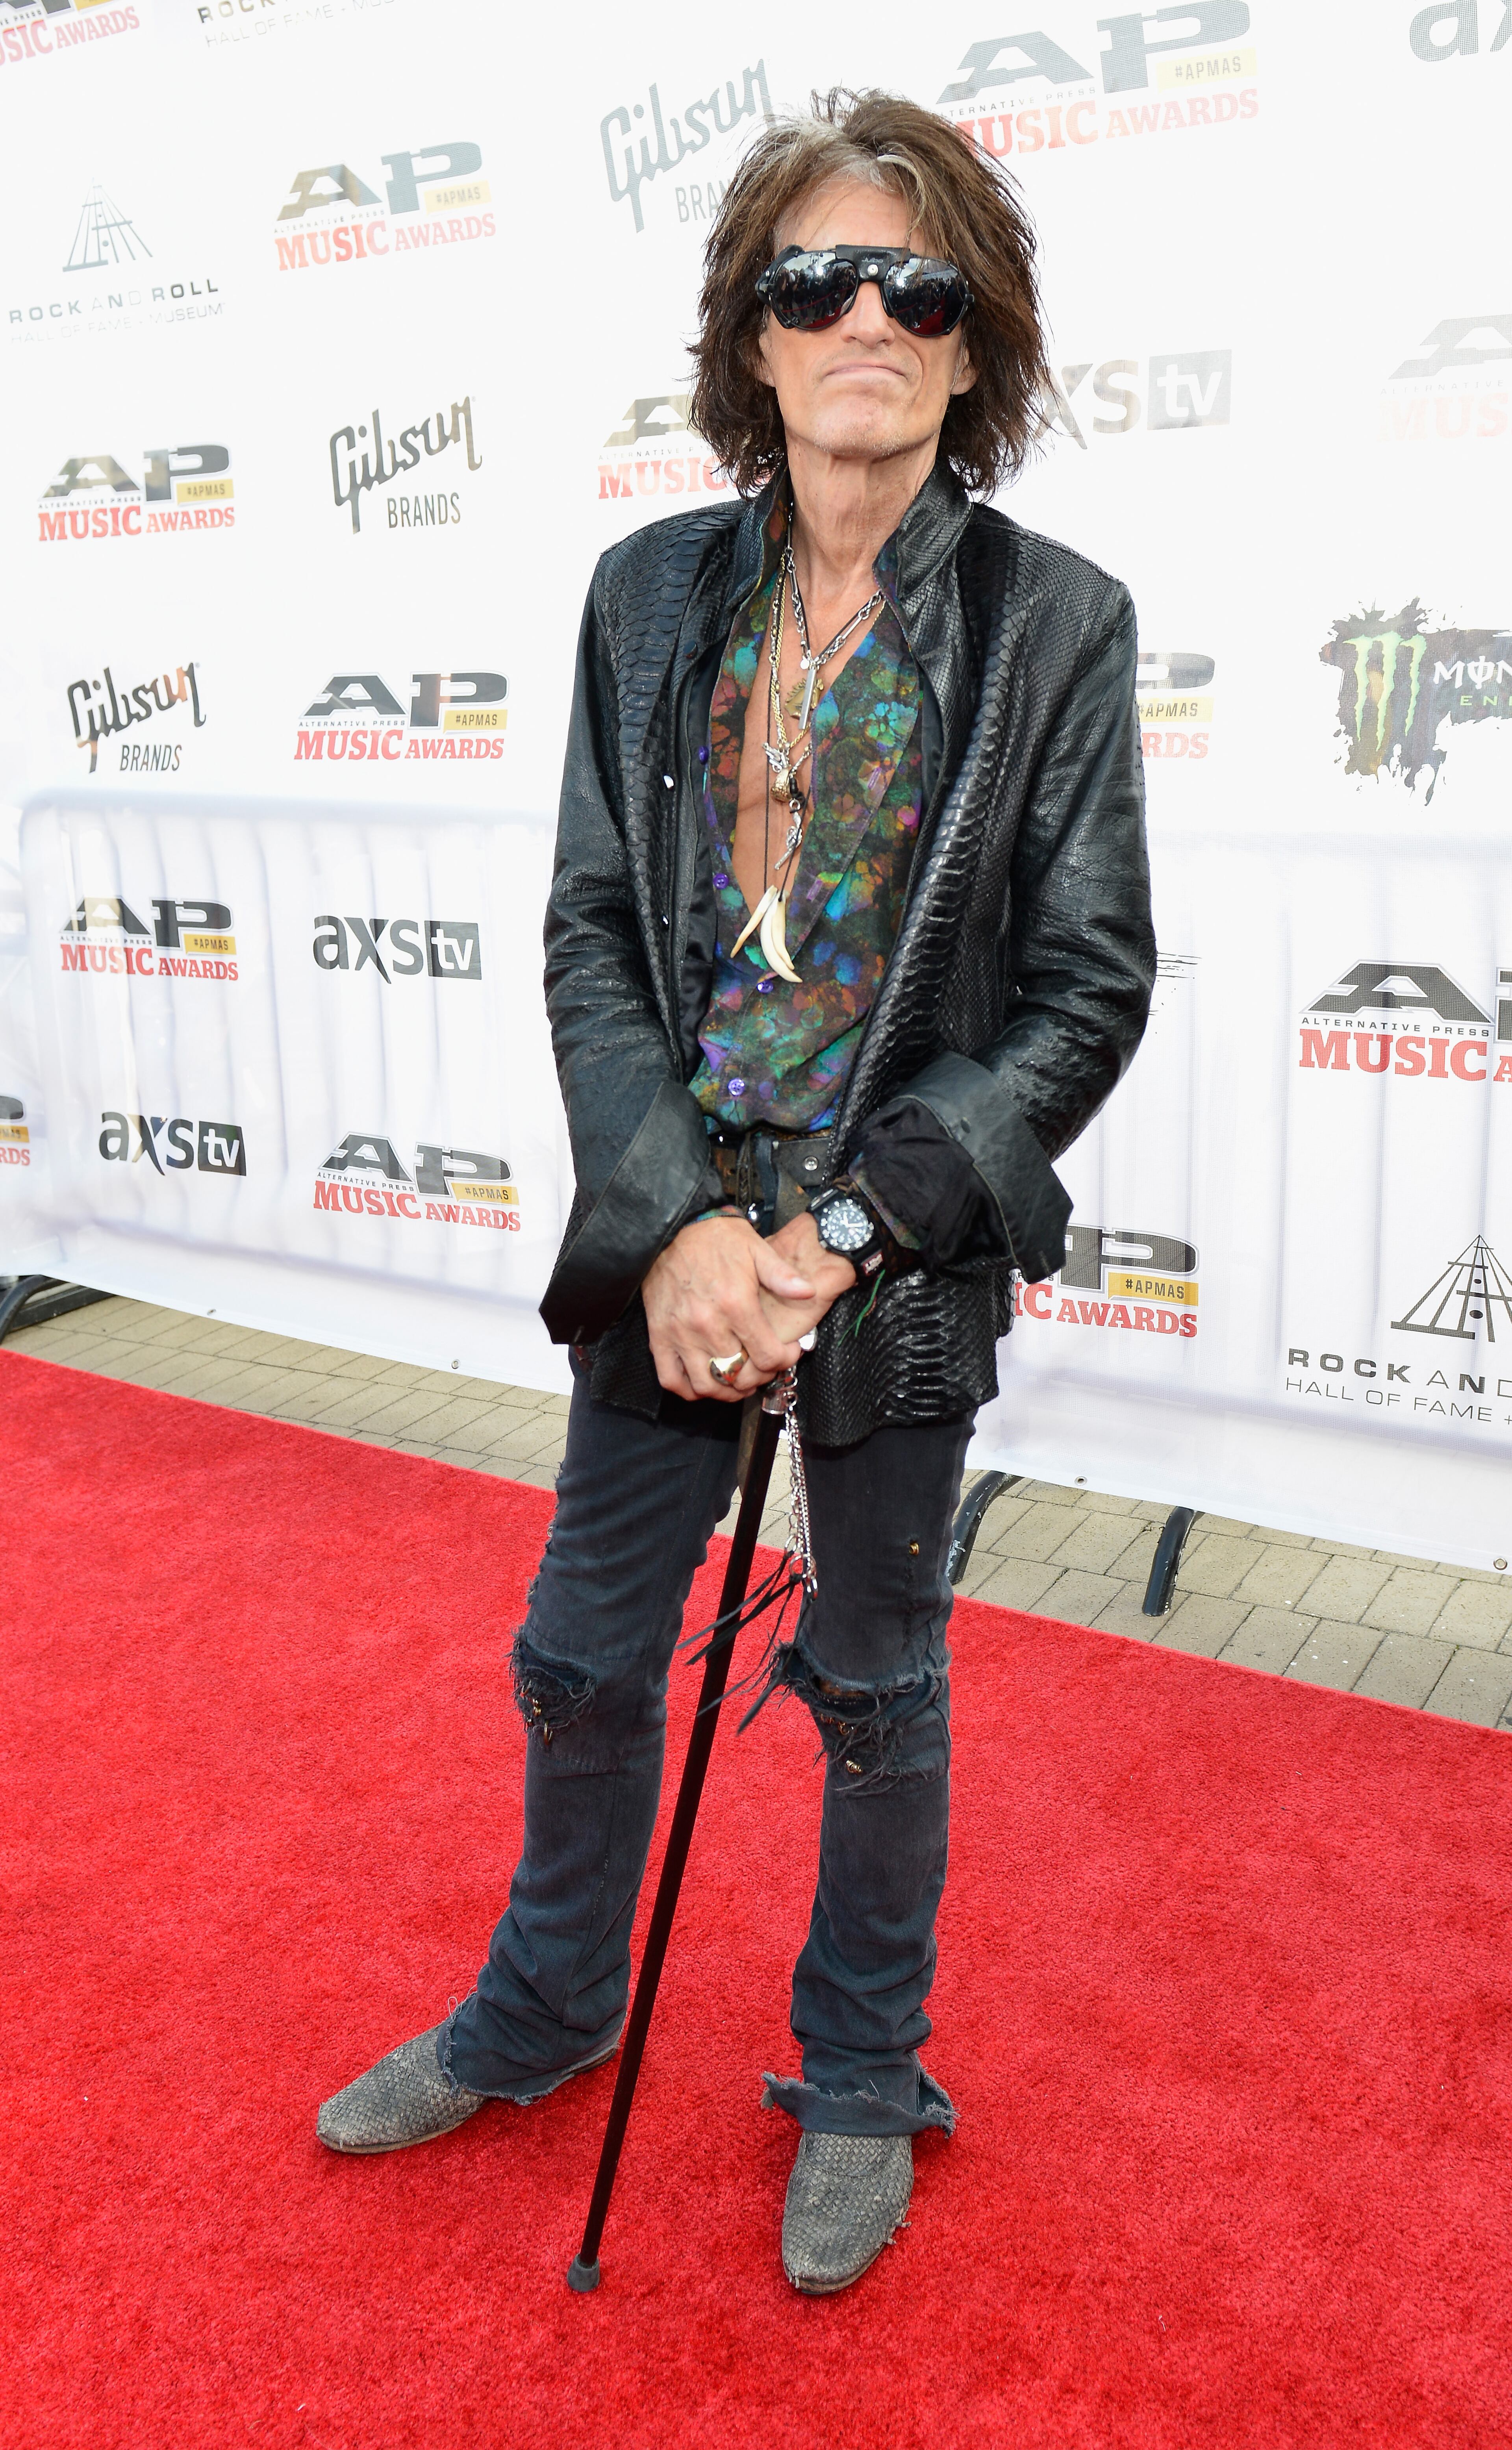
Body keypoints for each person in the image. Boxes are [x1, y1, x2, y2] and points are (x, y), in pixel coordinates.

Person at [318, 87, 1155, 2296]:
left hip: (886, 1260)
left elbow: (1084, 987)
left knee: (874, 1691)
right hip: (671, 1249)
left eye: (918, 286)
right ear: (751, 343)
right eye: (816, 281)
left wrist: (844, 1235)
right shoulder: (648, 596)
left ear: (974, 351)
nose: (865, 315)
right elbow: (599, 927)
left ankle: (865, 2072)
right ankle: (544, 2010)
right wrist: (686, 1228)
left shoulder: (1054, 624)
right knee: (584, 1663)